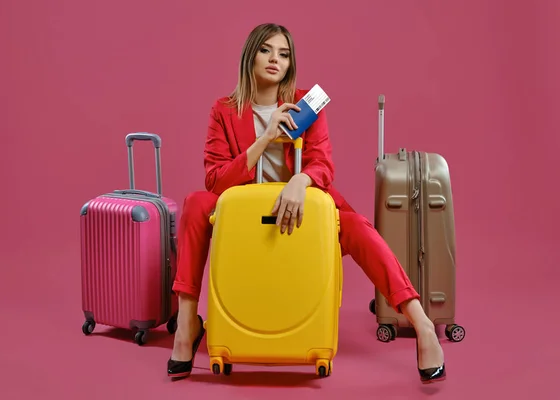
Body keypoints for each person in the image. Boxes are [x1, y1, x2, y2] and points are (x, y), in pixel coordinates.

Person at [167, 22, 446, 384]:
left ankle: (421, 323)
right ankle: (187, 322)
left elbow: (323, 164)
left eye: (284, 54)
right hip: (244, 215)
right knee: (195, 203)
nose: (274, 59)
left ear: (290, 63)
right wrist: (266, 138)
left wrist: (301, 180)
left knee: (359, 228)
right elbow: (215, 179)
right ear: (250, 55)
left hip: (304, 209)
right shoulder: (223, 110)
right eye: (267, 50)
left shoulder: (305, 105)